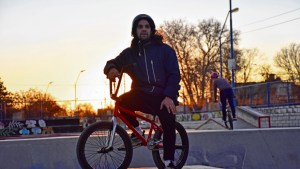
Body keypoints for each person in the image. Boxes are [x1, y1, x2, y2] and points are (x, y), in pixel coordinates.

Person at [103, 14, 180, 169]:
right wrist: (111, 70)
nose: (143, 29)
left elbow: (174, 75)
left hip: (162, 95)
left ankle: (169, 160)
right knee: (121, 103)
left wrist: (169, 96)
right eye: (140, 27)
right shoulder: (130, 53)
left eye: (147, 26)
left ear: (151, 30)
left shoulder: (164, 50)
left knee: (168, 121)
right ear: (135, 31)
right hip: (141, 94)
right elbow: (112, 63)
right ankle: (137, 134)